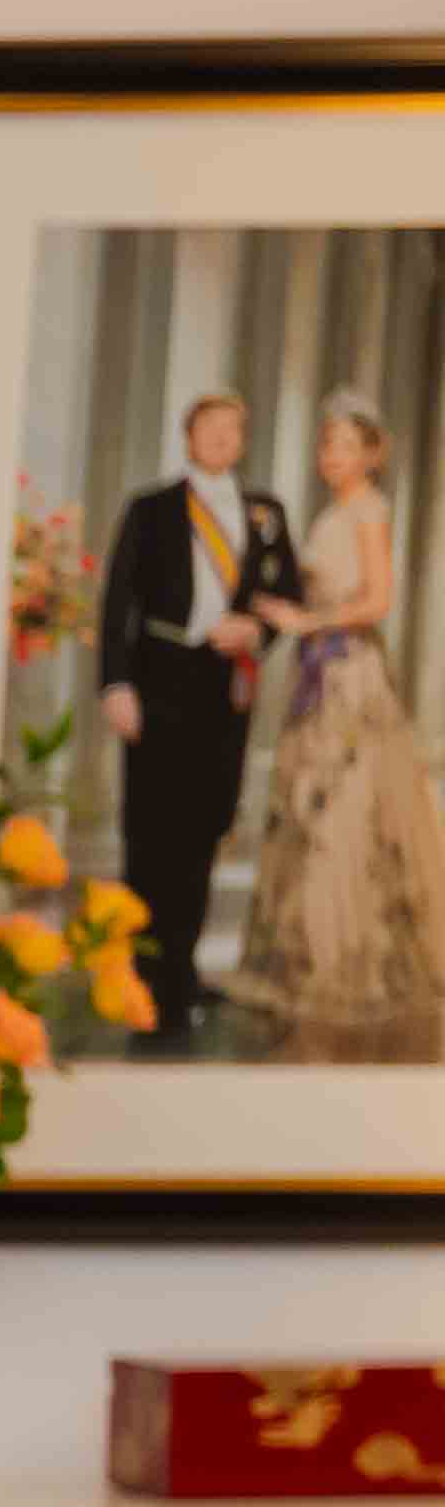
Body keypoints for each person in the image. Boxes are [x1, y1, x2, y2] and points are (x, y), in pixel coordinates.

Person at [239, 387, 445, 1064]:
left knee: (345, 815)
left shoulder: (368, 510)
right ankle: (308, 957)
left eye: (346, 445)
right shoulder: (331, 511)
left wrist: (309, 621)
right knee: (309, 810)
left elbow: (379, 600)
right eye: (327, 443)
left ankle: (345, 962)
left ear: (373, 455)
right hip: (318, 672)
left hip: (350, 672)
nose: (332, 455)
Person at [95, 385, 304, 1043]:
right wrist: (115, 684)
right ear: (188, 436)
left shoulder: (265, 512)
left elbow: (289, 594)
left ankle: (182, 970)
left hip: (224, 687)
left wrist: (257, 632)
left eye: (232, 430)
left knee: (206, 824)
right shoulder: (152, 507)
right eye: (210, 427)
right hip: (157, 678)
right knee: (150, 830)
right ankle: (143, 975)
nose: (220, 439)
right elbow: (117, 601)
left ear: (242, 441)